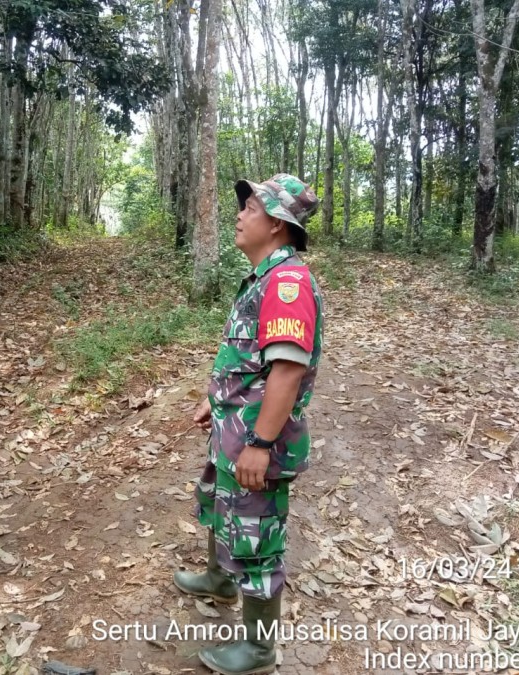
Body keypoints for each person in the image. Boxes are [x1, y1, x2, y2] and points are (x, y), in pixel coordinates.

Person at [174, 174, 323, 675]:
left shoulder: (286, 283)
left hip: (255, 441)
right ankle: (219, 580)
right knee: (222, 509)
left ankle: (259, 650)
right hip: (232, 430)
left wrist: (260, 442)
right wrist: (211, 399)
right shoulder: (263, 277)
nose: (239, 214)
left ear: (278, 225)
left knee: (257, 539)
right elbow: (250, 360)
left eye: (251, 208)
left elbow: (287, 369)